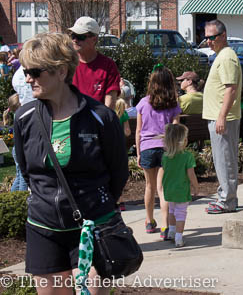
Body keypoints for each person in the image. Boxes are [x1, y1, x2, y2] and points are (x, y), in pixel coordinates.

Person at [14, 32, 128, 294]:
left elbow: (118, 172)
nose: (28, 78)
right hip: (43, 228)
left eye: (35, 71)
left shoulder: (101, 117)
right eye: (25, 70)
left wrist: (96, 204)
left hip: (93, 226)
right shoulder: (24, 117)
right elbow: (28, 171)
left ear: (61, 71)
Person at [202, 19, 242, 214]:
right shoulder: (222, 56)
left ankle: (227, 200)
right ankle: (226, 197)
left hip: (223, 118)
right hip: (219, 116)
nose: (208, 41)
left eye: (212, 37)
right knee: (223, 159)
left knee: (225, 159)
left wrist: (221, 117)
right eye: (206, 38)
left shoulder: (226, 57)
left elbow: (231, 89)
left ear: (223, 35)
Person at [136, 64, 181, 235]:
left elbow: (139, 131)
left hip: (147, 147)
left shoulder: (142, 103)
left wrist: (139, 152)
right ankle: (165, 226)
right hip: (165, 148)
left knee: (149, 186)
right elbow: (176, 127)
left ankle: (149, 221)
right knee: (163, 188)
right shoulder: (173, 104)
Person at [158, 123, 199, 247]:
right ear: (181, 141)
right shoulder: (187, 156)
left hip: (169, 189)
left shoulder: (165, 157)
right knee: (181, 213)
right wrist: (196, 187)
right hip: (181, 189)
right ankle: (179, 237)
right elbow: (191, 174)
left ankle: (171, 231)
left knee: (171, 210)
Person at [69, 16, 121, 109]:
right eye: (73, 35)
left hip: (98, 121)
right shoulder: (67, 64)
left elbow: (109, 105)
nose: (75, 40)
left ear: (94, 39)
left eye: (80, 36)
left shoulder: (108, 66)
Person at [3, 94, 27, 192]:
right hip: (21, 149)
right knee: (23, 177)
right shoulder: (21, 116)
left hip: (16, 149)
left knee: (19, 175)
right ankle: (22, 198)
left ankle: (12, 195)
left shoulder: (16, 115)